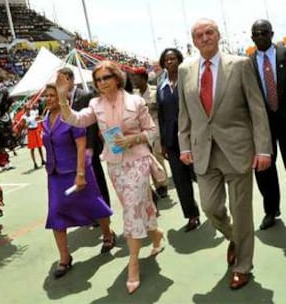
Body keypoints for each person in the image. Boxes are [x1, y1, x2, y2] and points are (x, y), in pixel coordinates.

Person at [178, 18, 272, 289]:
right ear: (194, 41)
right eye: (199, 34)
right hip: (203, 152)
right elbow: (185, 114)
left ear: (218, 36)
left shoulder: (240, 65)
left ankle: (243, 265)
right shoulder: (186, 71)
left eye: (209, 32)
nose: (205, 37)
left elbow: (257, 109)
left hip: (238, 150)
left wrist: (263, 148)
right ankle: (235, 237)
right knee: (210, 207)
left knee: (241, 212)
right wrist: (184, 145)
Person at [57, 60, 165, 294]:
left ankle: (133, 264)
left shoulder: (135, 101)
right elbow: (76, 119)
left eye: (106, 77)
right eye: (98, 80)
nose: (102, 83)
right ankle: (156, 233)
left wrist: (133, 139)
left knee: (132, 209)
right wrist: (63, 99)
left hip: (137, 159)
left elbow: (152, 130)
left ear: (117, 78)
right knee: (136, 205)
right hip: (115, 164)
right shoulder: (95, 104)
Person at [42, 84, 115, 279]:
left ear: (61, 98)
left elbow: (81, 146)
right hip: (55, 175)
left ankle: (108, 234)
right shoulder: (44, 121)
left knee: (93, 205)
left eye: (52, 96)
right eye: (46, 96)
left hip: (77, 171)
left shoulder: (71, 119)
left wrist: (81, 173)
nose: (48, 99)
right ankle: (65, 257)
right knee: (56, 212)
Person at [250, 19, 286, 230]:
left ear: (272, 33)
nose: (259, 37)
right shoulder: (246, 64)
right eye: (255, 34)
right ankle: (271, 210)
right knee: (264, 170)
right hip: (262, 125)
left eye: (263, 32)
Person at [156, 48, 201, 232]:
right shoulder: (161, 86)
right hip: (172, 142)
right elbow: (161, 115)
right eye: (166, 60)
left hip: (193, 138)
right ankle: (192, 215)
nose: (170, 62)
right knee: (181, 181)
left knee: (201, 176)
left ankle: (215, 209)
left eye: (173, 59)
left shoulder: (190, 80)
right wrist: (163, 143)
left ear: (180, 60)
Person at [57, 67, 111, 208]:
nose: (60, 84)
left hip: (88, 147)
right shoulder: (61, 100)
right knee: (82, 181)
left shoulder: (86, 96)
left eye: (63, 80)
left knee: (97, 178)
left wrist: (91, 146)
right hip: (73, 149)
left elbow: (92, 125)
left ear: (72, 80)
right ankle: (92, 211)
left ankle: (105, 208)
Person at [131, 68, 169, 199]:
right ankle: (155, 185)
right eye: (133, 78)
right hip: (140, 130)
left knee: (157, 155)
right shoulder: (133, 95)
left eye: (137, 77)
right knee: (146, 157)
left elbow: (162, 108)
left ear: (144, 78)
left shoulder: (155, 90)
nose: (134, 80)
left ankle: (162, 185)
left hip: (156, 125)